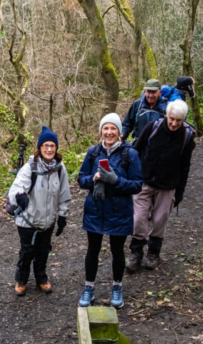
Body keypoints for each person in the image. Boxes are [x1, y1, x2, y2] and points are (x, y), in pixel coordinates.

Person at [77, 113, 142, 308]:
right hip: (95, 209)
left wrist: (115, 181)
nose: (109, 132)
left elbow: (137, 185)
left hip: (119, 210)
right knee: (93, 250)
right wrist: (94, 179)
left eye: (113, 128)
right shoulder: (93, 152)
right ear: (101, 131)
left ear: (120, 132)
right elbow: (81, 179)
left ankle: (117, 286)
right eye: (105, 128)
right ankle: (89, 287)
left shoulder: (130, 154)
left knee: (117, 250)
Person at [126, 100, 196, 271]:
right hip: (144, 182)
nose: (174, 123)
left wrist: (179, 192)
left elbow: (185, 166)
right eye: (172, 118)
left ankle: (153, 253)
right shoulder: (152, 127)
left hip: (168, 186)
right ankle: (136, 253)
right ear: (166, 114)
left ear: (183, 119)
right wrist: (131, 177)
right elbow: (135, 150)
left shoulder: (187, 136)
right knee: (138, 220)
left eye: (178, 120)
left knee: (159, 221)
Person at [8, 126, 71, 296]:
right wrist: (19, 197)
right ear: (40, 148)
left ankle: (41, 278)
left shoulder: (59, 168)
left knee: (43, 250)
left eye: (52, 145)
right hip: (28, 220)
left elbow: (64, 194)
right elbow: (15, 190)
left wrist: (62, 215)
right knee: (27, 251)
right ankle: (21, 279)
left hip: (48, 220)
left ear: (56, 148)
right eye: (45, 146)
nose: (49, 149)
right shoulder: (30, 168)